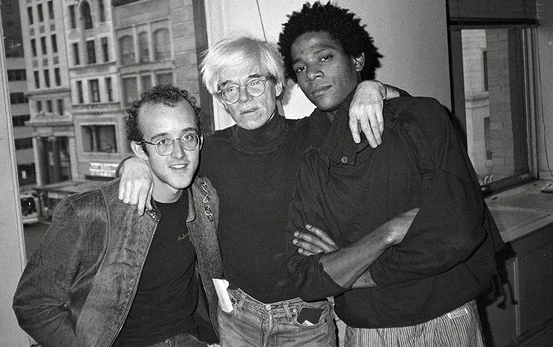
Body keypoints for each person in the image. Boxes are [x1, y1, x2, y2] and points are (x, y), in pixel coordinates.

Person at [119, 36, 417, 347]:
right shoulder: (209, 152)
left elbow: (408, 116)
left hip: (305, 316)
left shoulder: (314, 134)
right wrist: (133, 164)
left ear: (277, 86)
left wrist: (374, 89)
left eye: (254, 83)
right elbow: (165, 161)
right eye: (230, 89)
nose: (244, 98)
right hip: (236, 316)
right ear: (221, 99)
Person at [278, 1, 505, 346]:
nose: (312, 74)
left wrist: (349, 264)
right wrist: (388, 233)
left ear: (356, 60)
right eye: (300, 67)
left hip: (444, 319)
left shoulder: (420, 119)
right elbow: (307, 278)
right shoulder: (311, 154)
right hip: (366, 330)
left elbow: (455, 234)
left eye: (324, 57)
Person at [13, 85, 223, 347]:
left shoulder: (205, 198)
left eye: (188, 137)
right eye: (162, 142)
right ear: (140, 150)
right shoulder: (88, 213)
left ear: (200, 141)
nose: (179, 153)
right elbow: (32, 303)